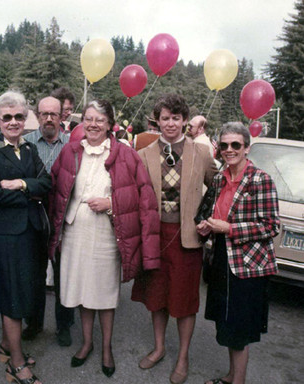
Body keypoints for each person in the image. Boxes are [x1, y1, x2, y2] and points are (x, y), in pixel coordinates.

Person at [48, 99, 160, 378]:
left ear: (110, 124)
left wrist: (111, 203)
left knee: (105, 294)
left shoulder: (125, 154)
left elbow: (143, 195)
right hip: (75, 233)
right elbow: (55, 189)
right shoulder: (70, 150)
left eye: (99, 119)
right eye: (88, 118)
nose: (93, 124)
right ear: (81, 121)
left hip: (108, 235)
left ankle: (106, 348)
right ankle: (87, 344)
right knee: (84, 293)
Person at [131, 94, 217, 384]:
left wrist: (209, 219)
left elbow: (217, 189)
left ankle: (182, 357)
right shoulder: (143, 154)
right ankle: (158, 348)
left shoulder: (202, 153)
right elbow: (135, 196)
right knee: (156, 297)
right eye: (165, 118)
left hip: (188, 240)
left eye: (176, 118)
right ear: (158, 120)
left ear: (184, 121)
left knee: (184, 301)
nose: (170, 123)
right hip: (155, 237)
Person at [196, 122, 280, 384]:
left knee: (239, 328)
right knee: (227, 323)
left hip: (248, 267)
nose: (229, 150)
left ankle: (238, 381)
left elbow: (271, 226)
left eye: (236, 145)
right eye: (224, 145)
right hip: (222, 259)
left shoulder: (260, 179)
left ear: (246, 147)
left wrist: (230, 228)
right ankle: (232, 376)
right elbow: (215, 215)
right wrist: (207, 226)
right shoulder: (221, 177)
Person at [0, 90, 51, 384]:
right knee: (12, 294)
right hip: (3, 234)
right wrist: (30, 193)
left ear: (26, 119)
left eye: (19, 116)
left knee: (23, 290)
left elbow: (46, 182)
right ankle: (16, 365)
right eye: (7, 117)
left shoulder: (31, 150)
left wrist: (20, 183)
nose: (13, 122)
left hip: (28, 232)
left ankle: (8, 346)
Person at [22, 96, 74, 346]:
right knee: (34, 273)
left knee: (64, 274)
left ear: (62, 116)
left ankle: (64, 326)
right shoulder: (26, 143)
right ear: (37, 115)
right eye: (44, 114)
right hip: (35, 217)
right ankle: (33, 323)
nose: (49, 118)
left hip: (64, 218)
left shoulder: (72, 145)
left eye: (54, 114)